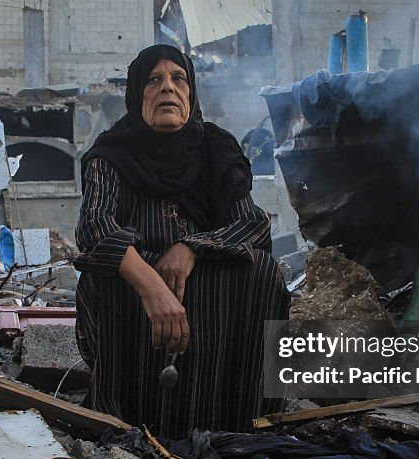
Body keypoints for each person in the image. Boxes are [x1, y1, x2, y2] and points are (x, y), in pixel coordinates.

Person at [74, 44, 289, 438]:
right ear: (137, 94)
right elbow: (94, 227)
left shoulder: (217, 149)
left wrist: (192, 248)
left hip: (206, 275)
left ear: (191, 94)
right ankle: (126, 424)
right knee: (102, 274)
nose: (168, 89)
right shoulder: (111, 154)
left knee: (262, 271)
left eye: (179, 79)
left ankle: (242, 422)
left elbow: (253, 226)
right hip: (137, 287)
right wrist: (152, 286)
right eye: (154, 80)